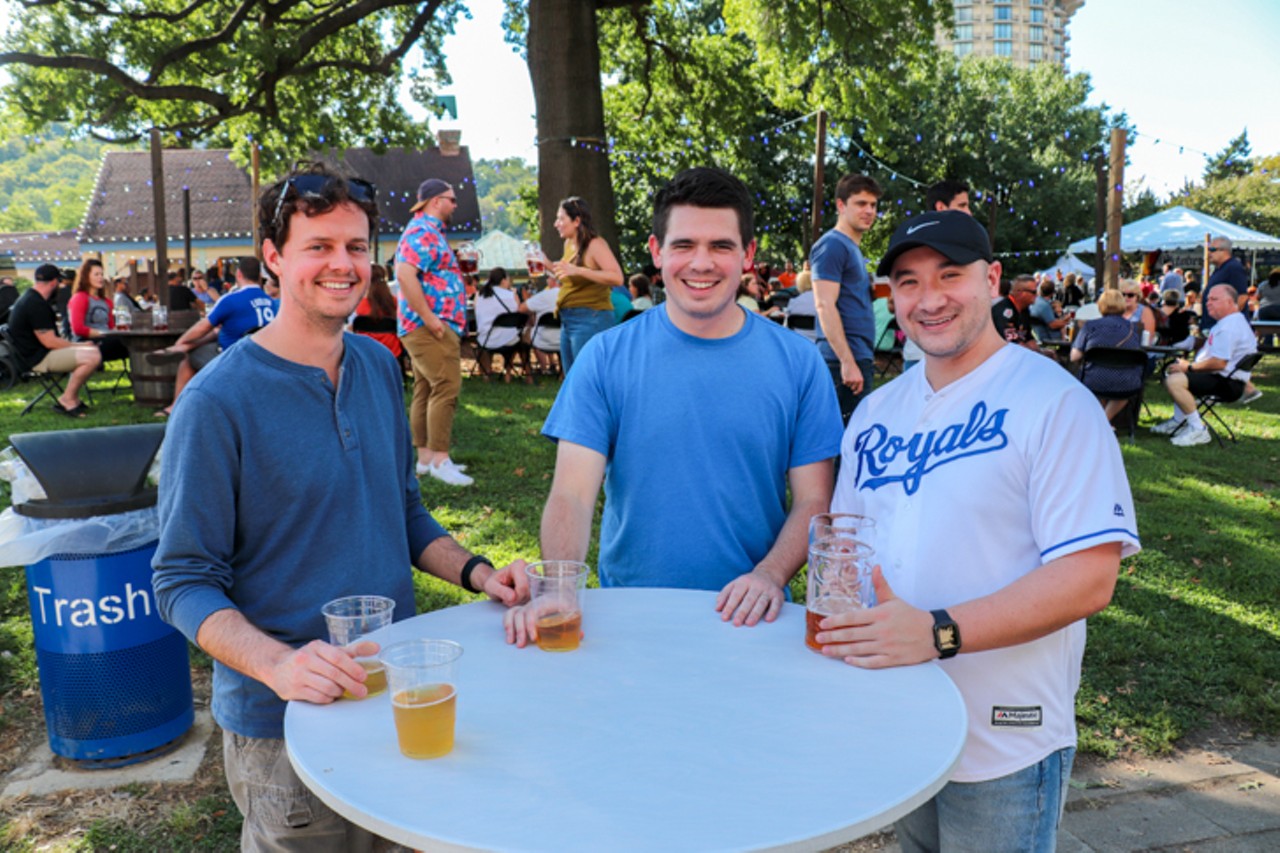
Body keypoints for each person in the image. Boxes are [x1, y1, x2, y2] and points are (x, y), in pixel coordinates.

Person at [151, 163, 529, 852]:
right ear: (274, 257)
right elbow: (180, 579)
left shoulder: (379, 366)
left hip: (394, 694)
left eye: (355, 247)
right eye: (318, 246)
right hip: (285, 721)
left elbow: (404, 510)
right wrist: (279, 665)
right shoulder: (216, 403)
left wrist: (480, 572)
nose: (342, 264)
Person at [819, 210, 1139, 852]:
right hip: (903, 715)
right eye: (908, 282)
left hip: (1006, 735)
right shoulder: (877, 411)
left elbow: (1089, 577)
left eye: (950, 274)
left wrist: (938, 631)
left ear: (991, 279)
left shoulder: (1054, 402)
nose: (929, 298)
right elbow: (847, 545)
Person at [505, 167, 842, 647]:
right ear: (657, 251)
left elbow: (814, 500)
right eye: (684, 245)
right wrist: (559, 587)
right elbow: (573, 495)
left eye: (721, 246)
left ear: (747, 255)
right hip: (631, 616)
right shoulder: (605, 357)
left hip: (752, 618)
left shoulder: (799, 363)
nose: (701, 263)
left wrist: (769, 575)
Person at [395, 178, 473, 487]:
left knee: (426, 388)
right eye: (451, 199)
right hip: (430, 325)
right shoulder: (423, 231)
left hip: (430, 324)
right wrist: (430, 319)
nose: (455, 205)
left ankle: (426, 459)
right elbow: (404, 274)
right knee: (446, 386)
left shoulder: (429, 233)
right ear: (435, 201)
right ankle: (441, 459)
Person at [148, 257, 278, 417]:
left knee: (189, 357)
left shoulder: (231, 299)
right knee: (216, 334)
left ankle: (175, 406)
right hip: (266, 360)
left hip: (233, 360)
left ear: (238, 275)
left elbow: (203, 326)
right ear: (260, 277)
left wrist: (181, 340)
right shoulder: (272, 303)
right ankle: (183, 348)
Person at [1152, 284, 1260, 445]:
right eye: (1207, 299)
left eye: (1214, 299)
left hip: (1227, 383)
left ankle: (1197, 429)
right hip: (1226, 378)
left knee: (1174, 380)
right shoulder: (1231, 322)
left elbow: (1219, 363)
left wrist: (1188, 367)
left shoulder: (1229, 327)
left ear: (1230, 302)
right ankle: (1179, 421)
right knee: (1174, 371)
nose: (1208, 303)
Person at [813, 173, 882, 424]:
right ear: (841, 205)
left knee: (854, 441)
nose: (869, 211)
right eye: (861, 204)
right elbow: (824, 304)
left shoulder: (852, 248)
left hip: (857, 356)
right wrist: (847, 362)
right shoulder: (832, 245)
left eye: (873, 205)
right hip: (840, 362)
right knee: (838, 444)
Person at [6, 263, 101, 417]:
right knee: (93, 356)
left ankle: (73, 398)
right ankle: (67, 399)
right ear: (53, 283)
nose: (61, 286)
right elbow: (50, 342)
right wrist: (80, 345)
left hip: (35, 354)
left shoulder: (30, 298)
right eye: (60, 282)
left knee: (92, 351)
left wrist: (80, 346)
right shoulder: (36, 304)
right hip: (38, 359)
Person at [550, 196, 624, 374]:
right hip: (568, 318)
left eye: (561, 218)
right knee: (572, 380)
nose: (556, 224)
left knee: (588, 379)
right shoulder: (569, 244)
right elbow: (569, 279)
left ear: (576, 221)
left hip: (591, 317)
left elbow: (617, 278)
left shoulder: (595, 244)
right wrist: (545, 263)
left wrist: (579, 270)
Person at [1069, 289, 1144, 421]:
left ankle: (1101, 422)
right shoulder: (1133, 328)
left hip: (1093, 380)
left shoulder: (1090, 326)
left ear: (1100, 305)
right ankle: (1105, 420)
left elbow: (1074, 356)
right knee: (1121, 391)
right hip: (1126, 383)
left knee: (1097, 377)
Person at [474, 267, 530, 383]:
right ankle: (512, 372)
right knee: (520, 338)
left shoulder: (479, 295)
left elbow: (477, 314)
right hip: (510, 340)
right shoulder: (511, 295)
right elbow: (518, 315)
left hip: (486, 339)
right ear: (503, 280)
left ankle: (486, 372)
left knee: (483, 335)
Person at [68, 258, 130, 363]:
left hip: (107, 340)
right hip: (86, 343)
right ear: (86, 277)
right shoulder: (80, 298)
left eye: (101, 274)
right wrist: (104, 333)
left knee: (135, 342)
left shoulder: (107, 302)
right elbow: (78, 329)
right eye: (96, 274)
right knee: (130, 344)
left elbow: (110, 327)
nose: (100, 278)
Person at [352, 265, 403, 360]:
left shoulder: (356, 304)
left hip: (365, 353)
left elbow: (351, 329)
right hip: (392, 353)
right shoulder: (395, 302)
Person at [1201, 237, 1248, 333]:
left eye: (1212, 249)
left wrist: (1226, 321)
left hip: (1227, 329)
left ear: (1225, 251)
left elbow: (1242, 297)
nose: (1209, 253)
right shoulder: (1219, 269)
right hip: (1214, 326)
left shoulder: (1233, 267)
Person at [520, 275, 562, 374]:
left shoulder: (544, 295)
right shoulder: (571, 295)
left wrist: (526, 299)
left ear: (552, 280)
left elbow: (521, 309)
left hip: (542, 338)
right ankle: (562, 373)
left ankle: (529, 374)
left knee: (524, 334)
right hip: (564, 338)